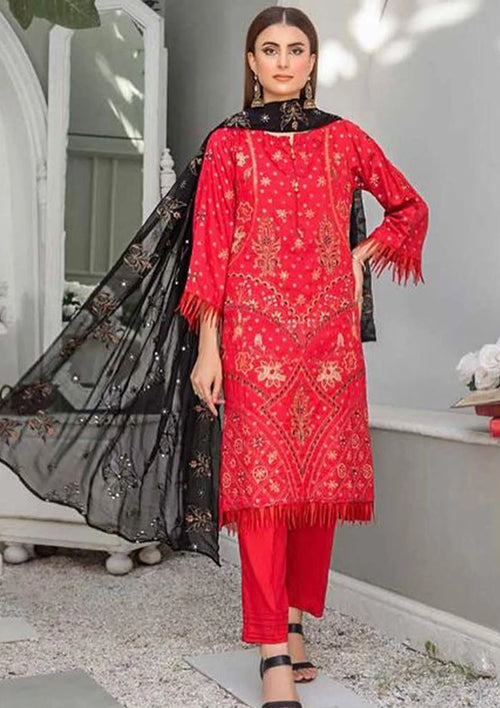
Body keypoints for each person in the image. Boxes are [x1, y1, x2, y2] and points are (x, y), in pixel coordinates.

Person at [177, 6, 429, 708]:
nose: (283, 61)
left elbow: (408, 207)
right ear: (252, 62)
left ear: (312, 62)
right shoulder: (228, 144)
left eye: (296, 49)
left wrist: (361, 254)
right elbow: (210, 255)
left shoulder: (343, 139)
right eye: (270, 49)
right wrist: (208, 349)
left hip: (328, 340)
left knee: (317, 485)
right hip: (253, 338)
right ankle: (270, 653)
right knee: (262, 494)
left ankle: (293, 622)